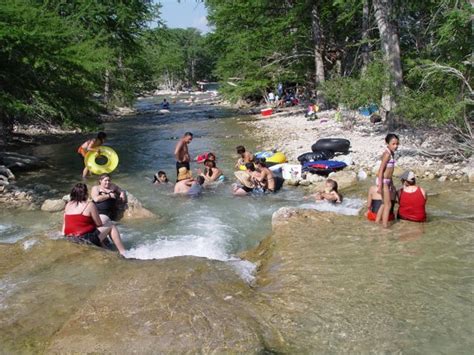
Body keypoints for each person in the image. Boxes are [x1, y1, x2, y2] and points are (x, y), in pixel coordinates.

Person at [62, 183, 126, 255]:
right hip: (84, 239)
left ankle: (105, 248)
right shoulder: (89, 205)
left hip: (70, 238)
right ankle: (123, 252)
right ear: (85, 194)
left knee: (101, 224)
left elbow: (67, 224)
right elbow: (98, 223)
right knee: (111, 225)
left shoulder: (68, 205)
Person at [376, 133, 400, 227]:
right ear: (387, 143)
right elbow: (381, 170)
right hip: (383, 181)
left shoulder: (391, 153)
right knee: (388, 204)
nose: (396, 146)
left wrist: (392, 184)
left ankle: (377, 221)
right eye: (393, 144)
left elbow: (390, 171)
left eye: (397, 144)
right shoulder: (387, 154)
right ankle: (385, 227)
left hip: (387, 181)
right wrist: (380, 185)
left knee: (383, 203)